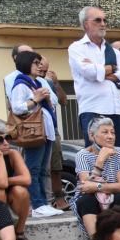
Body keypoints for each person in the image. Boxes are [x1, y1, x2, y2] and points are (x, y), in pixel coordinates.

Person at [9, 51, 64, 218]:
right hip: (33, 131)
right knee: (33, 168)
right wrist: (36, 99)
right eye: (35, 62)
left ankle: (43, 203)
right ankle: (36, 204)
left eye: (40, 62)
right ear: (25, 64)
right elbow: (17, 107)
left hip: (45, 131)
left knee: (42, 169)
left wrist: (43, 98)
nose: (40, 66)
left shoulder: (35, 83)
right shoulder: (21, 84)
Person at [67, 7, 120, 147]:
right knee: (96, 158)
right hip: (93, 110)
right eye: (98, 20)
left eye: (104, 20)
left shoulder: (113, 51)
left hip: (117, 110)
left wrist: (98, 69)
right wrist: (111, 68)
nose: (103, 24)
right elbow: (89, 72)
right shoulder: (77, 48)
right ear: (85, 24)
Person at [71, 117, 120, 237]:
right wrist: (100, 161)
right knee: (86, 200)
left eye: (113, 132)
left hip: (113, 195)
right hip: (90, 197)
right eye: (105, 132)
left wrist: (97, 186)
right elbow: (85, 187)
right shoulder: (82, 155)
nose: (110, 136)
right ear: (92, 135)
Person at [36, 56, 71, 212]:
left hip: (53, 130)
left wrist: (56, 82)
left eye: (46, 68)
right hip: (36, 128)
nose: (43, 70)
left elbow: (64, 102)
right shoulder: (26, 80)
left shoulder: (48, 82)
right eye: (40, 66)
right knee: (38, 167)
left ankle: (58, 198)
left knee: (56, 166)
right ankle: (41, 201)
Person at [0, 131, 33, 240]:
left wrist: (2, 179)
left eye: (7, 138)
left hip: (9, 195)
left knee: (21, 191)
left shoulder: (13, 153)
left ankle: (19, 233)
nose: (6, 143)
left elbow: (27, 179)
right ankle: (0, 235)